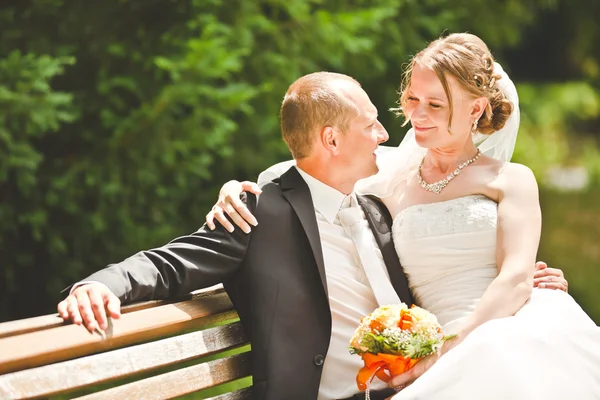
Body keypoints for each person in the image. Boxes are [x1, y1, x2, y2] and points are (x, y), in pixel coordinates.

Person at [59, 73, 567, 400]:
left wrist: (517, 282)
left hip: (420, 383)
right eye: (372, 125)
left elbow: (439, 270)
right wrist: (99, 285)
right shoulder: (260, 214)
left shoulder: (378, 205)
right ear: (331, 139)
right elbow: (169, 265)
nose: (387, 137)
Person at [209, 34, 599, 399]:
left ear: (475, 108)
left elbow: (515, 278)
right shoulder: (387, 178)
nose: (417, 114)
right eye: (412, 98)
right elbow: (296, 176)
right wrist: (232, 191)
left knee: (511, 356)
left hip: (505, 324)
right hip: (440, 347)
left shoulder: (511, 180)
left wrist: (448, 346)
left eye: (435, 104)